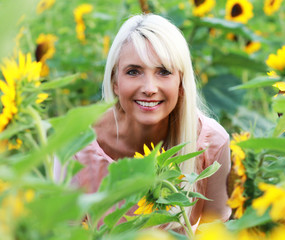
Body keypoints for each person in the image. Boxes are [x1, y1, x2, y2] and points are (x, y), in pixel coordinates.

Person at [67, 13, 231, 231]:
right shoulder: (77, 147)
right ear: (115, 82)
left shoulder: (212, 144)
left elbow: (216, 234)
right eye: (133, 72)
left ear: (181, 82)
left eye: (163, 71)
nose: (149, 88)